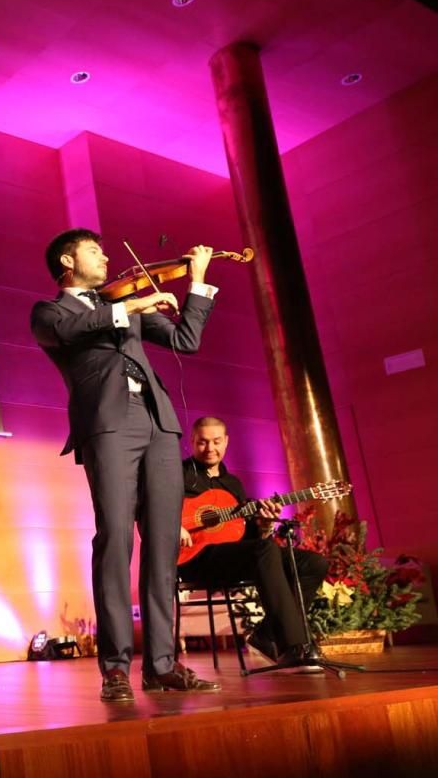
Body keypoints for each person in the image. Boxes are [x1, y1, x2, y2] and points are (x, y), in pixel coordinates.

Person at [30, 228, 220, 701]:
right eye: (94, 250)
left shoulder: (125, 308)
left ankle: (161, 664)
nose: (106, 255)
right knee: (115, 537)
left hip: (159, 424)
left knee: (161, 545)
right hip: (110, 425)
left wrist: (197, 282)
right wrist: (125, 308)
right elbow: (72, 331)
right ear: (67, 262)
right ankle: (115, 667)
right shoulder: (51, 312)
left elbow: (186, 338)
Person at [179, 416, 330, 666]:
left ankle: (267, 633)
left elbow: (247, 537)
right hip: (195, 558)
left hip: (234, 558)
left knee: (313, 563)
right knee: (265, 549)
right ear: (192, 443)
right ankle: (293, 645)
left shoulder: (233, 484)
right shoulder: (177, 477)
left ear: (226, 442)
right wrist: (174, 525)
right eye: (203, 442)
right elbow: (152, 508)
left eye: (216, 441)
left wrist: (264, 524)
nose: (210, 448)